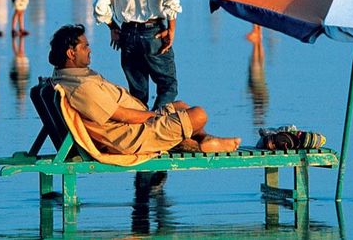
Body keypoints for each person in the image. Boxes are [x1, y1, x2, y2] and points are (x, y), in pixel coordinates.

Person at [49, 24, 241, 154]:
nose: (90, 49)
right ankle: (200, 142)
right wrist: (156, 117)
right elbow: (123, 115)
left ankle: (204, 140)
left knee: (181, 105)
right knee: (199, 114)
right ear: (71, 53)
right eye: (85, 46)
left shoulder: (71, 76)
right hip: (132, 136)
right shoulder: (82, 87)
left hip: (134, 127)